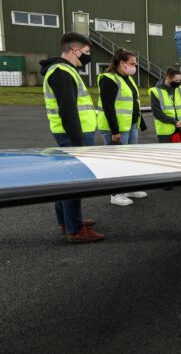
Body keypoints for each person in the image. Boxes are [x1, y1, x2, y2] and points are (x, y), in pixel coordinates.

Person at [39, 32, 104, 242]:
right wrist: (78, 144)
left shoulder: (64, 70)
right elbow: (68, 110)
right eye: (86, 52)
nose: (87, 56)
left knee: (66, 179)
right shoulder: (61, 72)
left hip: (72, 134)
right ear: (75, 50)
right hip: (74, 136)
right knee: (74, 181)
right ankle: (75, 230)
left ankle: (67, 221)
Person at [97, 48, 149, 206]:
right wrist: (115, 131)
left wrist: (141, 123)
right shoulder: (109, 79)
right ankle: (115, 194)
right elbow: (108, 107)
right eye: (132, 63)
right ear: (121, 63)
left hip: (131, 125)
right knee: (117, 160)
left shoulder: (127, 78)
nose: (135, 66)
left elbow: (133, 102)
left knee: (130, 158)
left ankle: (129, 188)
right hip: (117, 128)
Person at [149, 68, 181, 143]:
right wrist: (174, 122)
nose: (178, 83)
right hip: (165, 132)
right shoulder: (155, 91)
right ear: (167, 78)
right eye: (176, 80)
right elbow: (157, 113)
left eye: (179, 80)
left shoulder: (180, 89)